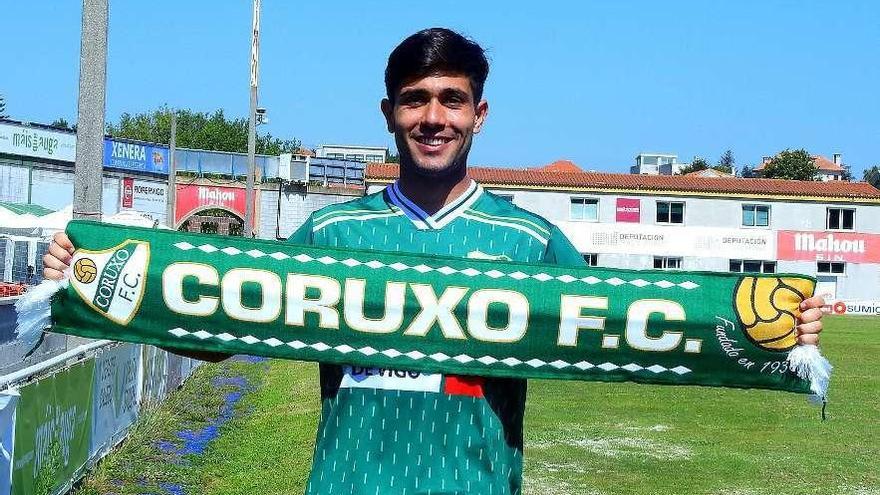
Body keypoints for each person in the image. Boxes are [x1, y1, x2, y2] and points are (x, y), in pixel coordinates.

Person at [43, 27, 826, 495]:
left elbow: (639, 328)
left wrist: (780, 331)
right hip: (346, 482)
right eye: (415, 99)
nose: (432, 117)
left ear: (478, 114)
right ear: (388, 113)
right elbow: (216, 322)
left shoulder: (529, 242)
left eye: (451, 99)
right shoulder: (331, 234)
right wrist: (84, 278)